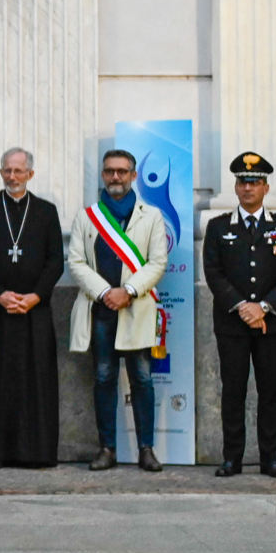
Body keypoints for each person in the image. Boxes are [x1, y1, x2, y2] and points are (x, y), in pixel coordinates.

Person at [67, 149, 171, 473]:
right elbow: (76, 262)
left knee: (142, 379)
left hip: (135, 308)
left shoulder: (151, 215)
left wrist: (127, 291)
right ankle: (107, 449)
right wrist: (104, 292)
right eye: (110, 171)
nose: (116, 177)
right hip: (100, 310)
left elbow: (158, 262)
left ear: (133, 176)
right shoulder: (87, 217)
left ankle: (146, 450)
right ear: (103, 175)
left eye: (122, 172)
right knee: (103, 378)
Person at [0, 148, 64, 466]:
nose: (12, 176)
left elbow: (56, 260)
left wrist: (35, 296)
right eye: (7, 170)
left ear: (30, 175)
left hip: (35, 311)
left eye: (19, 171)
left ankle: (35, 454)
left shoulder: (46, 212)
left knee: (36, 380)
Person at [202, 153, 276, 478]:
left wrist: (264, 307)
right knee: (233, 391)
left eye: (254, 182)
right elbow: (213, 273)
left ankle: (270, 459)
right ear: (235, 186)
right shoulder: (218, 227)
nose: (248, 188)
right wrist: (243, 307)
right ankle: (233, 459)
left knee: (270, 393)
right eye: (243, 182)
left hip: (270, 324)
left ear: (266, 188)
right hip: (232, 324)